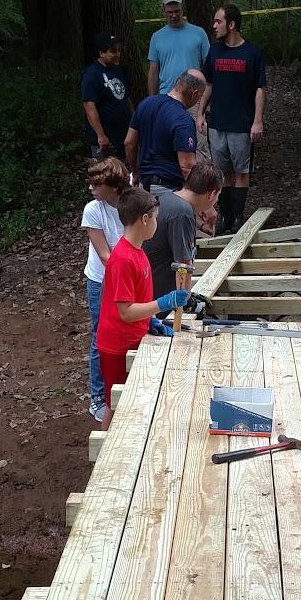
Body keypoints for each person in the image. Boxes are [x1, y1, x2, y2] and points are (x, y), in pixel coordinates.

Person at [95, 186, 189, 431]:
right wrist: (163, 304)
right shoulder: (123, 259)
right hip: (117, 346)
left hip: (133, 337)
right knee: (115, 404)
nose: (157, 222)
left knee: (129, 401)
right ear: (144, 219)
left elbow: (136, 301)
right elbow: (125, 312)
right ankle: (103, 462)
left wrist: (150, 321)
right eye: (156, 218)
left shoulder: (138, 252)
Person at [198, 3, 267, 235]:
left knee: (241, 172)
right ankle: (226, 216)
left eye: (218, 21)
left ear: (232, 24)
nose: (214, 26)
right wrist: (200, 113)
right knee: (222, 172)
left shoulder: (253, 52)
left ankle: (238, 216)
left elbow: (260, 88)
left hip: (241, 124)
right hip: (218, 122)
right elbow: (208, 84)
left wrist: (258, 120)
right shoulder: (215, 52)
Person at [80, 155, 129, 422]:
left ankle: (125, 386)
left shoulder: (132, 202)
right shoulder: (93, 210)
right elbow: (105, 255)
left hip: (128, 277)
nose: (91, 189)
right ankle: (98, 396)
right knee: (101, 336)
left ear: (113, 185)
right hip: (102, 280)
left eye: (96, 184)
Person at [143, 160, 224, 299]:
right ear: (212, 194)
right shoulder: (182, 212)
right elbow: (183, 265)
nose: (215, 201)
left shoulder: (169, 198)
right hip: (156, 298)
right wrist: (185, 300)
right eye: (218, 196)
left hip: (151, 291)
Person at [125, 68, 206, 189]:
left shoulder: (146, 104)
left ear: (177, 83)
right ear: (194, 94)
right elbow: (186, 166)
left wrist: (136, 172)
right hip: (169, 188)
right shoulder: (183, 120)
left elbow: (129, 142)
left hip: (144, 187)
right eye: (199, 96)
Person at [81, 34, 133, 160]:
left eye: (119, 51)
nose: (118, 54)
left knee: (123, 172)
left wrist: (134, 121)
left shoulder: (118, 70)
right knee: (106, 174)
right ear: (101, 53)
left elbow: (125, 98)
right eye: (113, 51)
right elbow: (89, 106)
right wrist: (101, 135)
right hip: (105, 137)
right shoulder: (92, 74)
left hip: (123, 134)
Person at [147, 0, 210, 95]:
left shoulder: (199, 33)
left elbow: (208, 65)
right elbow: (153, 72)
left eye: (177, 11)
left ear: (182, 10)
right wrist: (152, 100)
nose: (174, 15)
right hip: (166, 95)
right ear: (164, 12)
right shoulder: (157, 37)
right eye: (170, 12)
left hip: (193, 95)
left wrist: (206, 95)